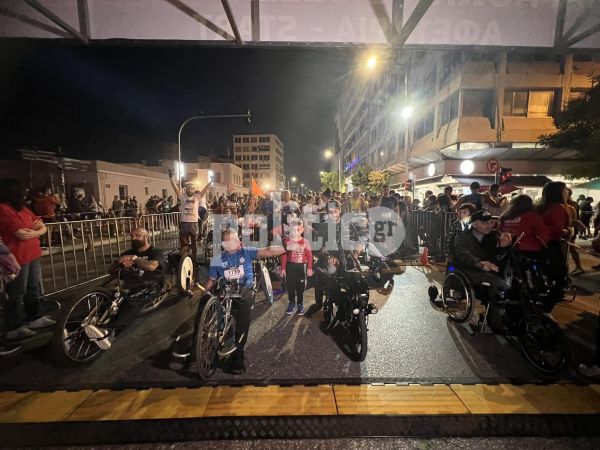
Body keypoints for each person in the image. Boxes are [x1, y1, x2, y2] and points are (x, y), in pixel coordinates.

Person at [205, 229, 285, 374]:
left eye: (238, 239)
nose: (239, 242)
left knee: (243, 313)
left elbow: (267, 251)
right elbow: (211, 280)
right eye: (234, 240)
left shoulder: (246, 252)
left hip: (244, 291)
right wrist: (206, 293)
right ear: (225, 244)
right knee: (204, 302)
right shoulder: (217, 259)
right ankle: (197, 344)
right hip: (225, 291)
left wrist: (286, 247)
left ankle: (238, 354)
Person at [83, 228, 165, 349]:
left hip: (150, 285)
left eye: (137, 235)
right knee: (104, 300)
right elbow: (110, 270)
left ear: (146, 237)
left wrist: (134, 259)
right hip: (128, 284)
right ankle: (75, 328)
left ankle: (111, 332)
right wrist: (119, 261)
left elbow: (151, 266)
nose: (133, 238)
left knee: (131, 301)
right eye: (132, 236)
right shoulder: (127, 252)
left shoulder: (156, 252)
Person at [0, 179, 56, 341]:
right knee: (17, 292)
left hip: (32, 253)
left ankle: (34, 317)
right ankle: (15, 326)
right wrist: (35, 230)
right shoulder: (3, 209)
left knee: (33, 287)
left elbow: (42, 227)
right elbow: (20, 233)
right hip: (16, 257)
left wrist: (33, 232)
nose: (25, 195)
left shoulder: (23, 209)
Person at [453, 210, 512, 329]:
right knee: (497, 284)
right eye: (484, 223)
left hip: (489, 269)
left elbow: (499, 256)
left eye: (490, 222)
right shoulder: (463, 236)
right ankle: (494, 319)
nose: (489, 226)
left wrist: (503, 245)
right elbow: (464, 254)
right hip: (469, 269)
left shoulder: (494, 236)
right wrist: (479, 263)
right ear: (474, 224)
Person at [536, 181, 571, 311]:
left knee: (540, 276)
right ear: (559, 192)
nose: (567, 192)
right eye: (565, 190)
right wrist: (567, 231)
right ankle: (547, 307)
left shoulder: (539, 207)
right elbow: (556, 229)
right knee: (561, 277)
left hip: (537, 245)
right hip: (551, 245)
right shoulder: (558, 208)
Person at [168, 170, 212, 269]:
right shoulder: (182, 197)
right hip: (184, 223)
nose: (190, 190)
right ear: (186, 190)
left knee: (194, 244)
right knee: (184, 244)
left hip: (194, 224)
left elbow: (205, 190)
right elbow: (175, 188)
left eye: (192, 188)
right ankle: (184, 262)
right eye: (188, 188)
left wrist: (210, 182)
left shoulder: (197, 197)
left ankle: (194, 262)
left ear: (194, 190)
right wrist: (171, 178)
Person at [281, 219, 313, 316]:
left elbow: (309, 256)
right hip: (290, 266)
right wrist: (283, 268)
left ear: (302, 230)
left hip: (301, 267)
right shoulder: (287, 241)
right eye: (293, 230)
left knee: (300, 287)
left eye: (298, 230)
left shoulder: (305, 242)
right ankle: (292, 303)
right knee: (290, 286)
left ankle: (300, 303)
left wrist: (309, 268)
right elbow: (284, 255)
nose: (295, 232)